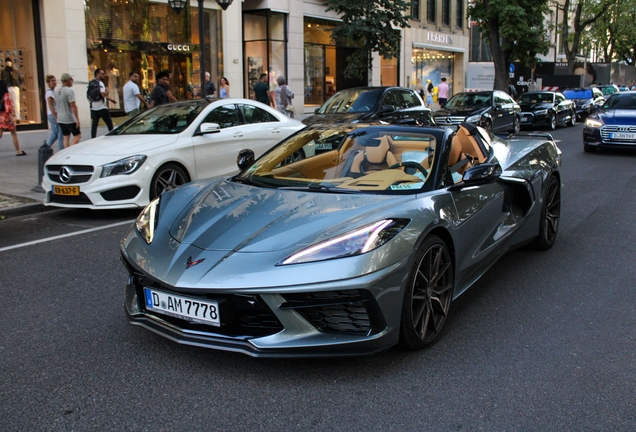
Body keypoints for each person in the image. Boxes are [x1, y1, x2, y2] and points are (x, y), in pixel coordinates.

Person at [0, 80, 25, 155]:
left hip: (0, 115)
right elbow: (8, 105)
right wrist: (11, 116)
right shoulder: (5, 94)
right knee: (13, 133)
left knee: (0, 133)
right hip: (6, 115)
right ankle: (18, 150)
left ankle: (18, 150)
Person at [56, 73, 81, 148]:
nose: (72, 81)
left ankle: (65, 150)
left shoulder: (57, 91)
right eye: (71, 79)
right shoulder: (69, 91)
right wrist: (77, 119)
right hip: (68, 117)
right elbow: (73, 105)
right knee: (78, 135)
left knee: (66, 137)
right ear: (67, 81)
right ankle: (70, 149)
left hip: (60, 117)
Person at [89, 68, 115, 139]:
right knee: (109, 123)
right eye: (102, 73)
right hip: (102, 107)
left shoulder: (92, 83)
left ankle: (93, 138)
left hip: (94, 107)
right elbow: (103, 94)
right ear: (98, 74)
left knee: (94, 125)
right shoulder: (100, 83)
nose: (103, 75)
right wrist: (107, 90)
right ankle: (113, 136)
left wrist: (111, 100)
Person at [45, 74, 63, 151]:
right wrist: (56, 117)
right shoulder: (49, 93)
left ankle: (46, 147)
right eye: (52, 81)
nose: (54, 82)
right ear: (48, 83)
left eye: (55, 80)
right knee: (60, 134)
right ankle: (62, 150)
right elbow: (51, 106)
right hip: (53, 114)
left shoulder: (53, 91)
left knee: (55, 134)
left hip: (53, 114)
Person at [2, 57, 20, 122]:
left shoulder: (15, 71)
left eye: (9, 61)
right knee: (9, 103)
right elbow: (2, 80)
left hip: (15, 87)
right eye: (7, 61)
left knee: (16, 102)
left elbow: (19, 79)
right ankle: (10, 118)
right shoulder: (3, 71)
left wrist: (17, 86)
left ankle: (18, 118)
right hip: (7, 87)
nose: (8, 63)